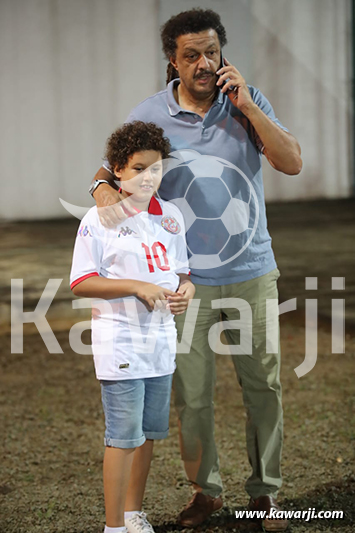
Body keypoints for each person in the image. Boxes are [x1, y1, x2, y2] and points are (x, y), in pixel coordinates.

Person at [90, 9, 302, 532]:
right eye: (192, 56)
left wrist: (249, 106)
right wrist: (100, 190)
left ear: (222, 53)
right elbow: (110, 164)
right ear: (173, 61)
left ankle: (267, 495)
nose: (204, 64)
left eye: (212, 52)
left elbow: (292, 161)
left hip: (252, 269)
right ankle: (206, 493)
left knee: (264, 388)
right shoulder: (152, 113)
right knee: (193, 396)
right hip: (184, 283)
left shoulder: (248, 105)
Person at [71, 121, 195, 533]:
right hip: (121, 344)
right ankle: (113, 527)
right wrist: (135, 286)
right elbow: (82, 282)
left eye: (156, 168)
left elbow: (182, 274)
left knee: (148, 433)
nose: (149, 177)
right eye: (139, 168)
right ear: (118, 170)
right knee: (122, 436)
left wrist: (185, 291)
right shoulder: (99, 216)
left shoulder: (171, 215)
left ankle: (133, 513)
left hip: (161, 343)